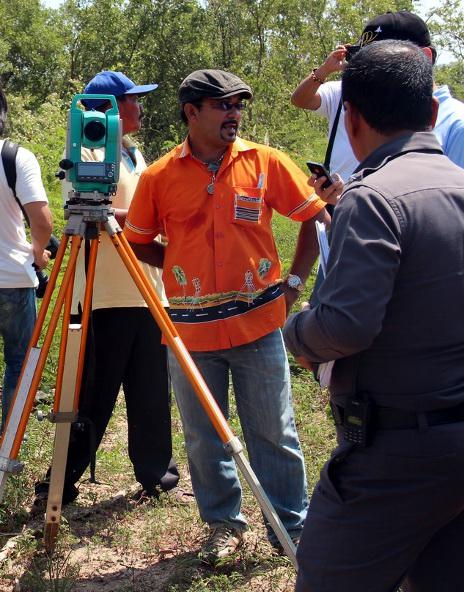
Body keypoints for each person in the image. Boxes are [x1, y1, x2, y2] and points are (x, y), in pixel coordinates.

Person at [284, 40, 464, 592]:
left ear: (350, 119)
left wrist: (297, 329)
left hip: (400, 454)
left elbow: (346, 327)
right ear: (431, 113)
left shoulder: (371, 197)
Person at [124, 69, 329, 562]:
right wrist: (176, 264)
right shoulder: (158, 178)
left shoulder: (265, 162)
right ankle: (223, 526)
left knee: (274, 430)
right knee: (202, 435)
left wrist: (293, 286)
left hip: (258, 325)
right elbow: (137, 243)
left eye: (239, 105)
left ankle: (291, 527)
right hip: (191, 334)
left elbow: (314, 216)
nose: (234, 114)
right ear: (191, 113)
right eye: (223, 105)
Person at [35, 71, 179, 507]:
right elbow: (84, 209)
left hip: (147, 291)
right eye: (132, 99)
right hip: (105, 294)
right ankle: (58, 484)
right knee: (94, 395)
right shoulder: (88, 149)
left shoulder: (133, 153)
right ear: (111, 106)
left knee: (151, 390)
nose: (139, 107)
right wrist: (144, 218)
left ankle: (157, 475)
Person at [292, 10, 464, 194]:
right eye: (363, 62)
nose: (368, 72)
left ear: (424, 57)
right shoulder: (385, 120)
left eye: (381, 62)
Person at [0, 85, 53, 431]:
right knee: (19, 361)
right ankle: (7, 447)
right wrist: (39, 254)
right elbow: (43, 221)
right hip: (12, 280)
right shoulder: (15, 157)